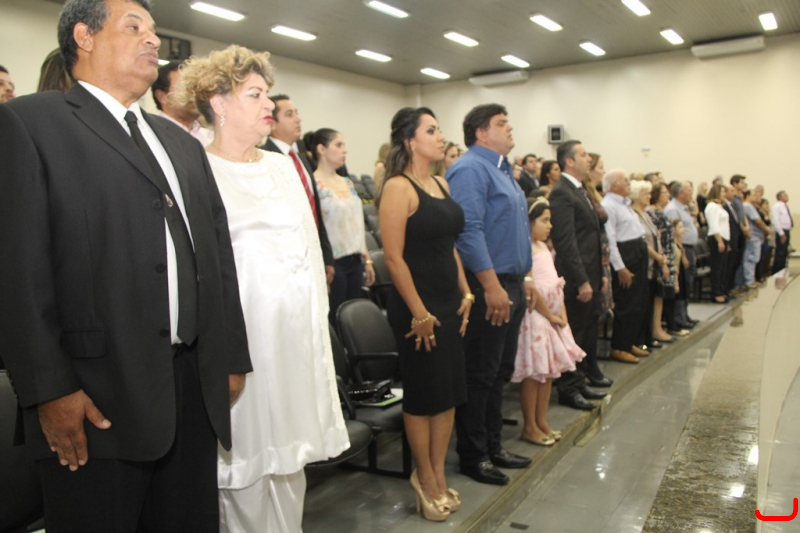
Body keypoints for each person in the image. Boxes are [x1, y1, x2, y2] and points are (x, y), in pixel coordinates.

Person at [0, 1, 253, 531]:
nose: (153, 40)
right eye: (134, 27)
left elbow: (217, 257)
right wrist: (50, 390)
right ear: (84, 37)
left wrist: (230, 355)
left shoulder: (179, 143)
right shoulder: (30, 123)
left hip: (190, 389)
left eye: (154, 30)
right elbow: (18, 273)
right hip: (96, 396)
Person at [179, 45, 349, 532]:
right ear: (218, 102)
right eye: (254, 94)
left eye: (267, 94)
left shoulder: (279, 165)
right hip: (244, 342)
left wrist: (317, 330)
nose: (268, 104)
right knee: (246, 467)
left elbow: (309, 250)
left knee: (290, 461)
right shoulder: (197, 169)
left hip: (293, 340)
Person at [379, 106, 471, 521]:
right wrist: (419, 312)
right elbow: (393, 258)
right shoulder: (398, 187)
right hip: (416, 306)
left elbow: (449, 246)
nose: (440, 136)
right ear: (410, 140)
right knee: (423, 395)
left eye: (439, 129)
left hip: (448, 303)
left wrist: (466, 291)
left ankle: (437, 471)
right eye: (431, 130)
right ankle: (425, 477)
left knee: (447, 393)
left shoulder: (440, 183)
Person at [447, 103, 534, 486]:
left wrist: (521, 280)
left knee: (499, 372)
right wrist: (492, 286)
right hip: (489, 285)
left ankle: (494, 446)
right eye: (502, 123)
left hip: (510, 283)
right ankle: (474, 455)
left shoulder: (501, 169)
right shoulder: (470, 169)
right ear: (481, 133)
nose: (510, 128)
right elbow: (468, 231)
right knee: (480, 374)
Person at [513, 197, 585, 446]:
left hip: (552, 317)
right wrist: (550, 314)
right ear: (529, 222)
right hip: (536, 316)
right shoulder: (525, 248)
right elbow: (532, 289)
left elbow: (555, 284)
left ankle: (541, 421)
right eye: (544, 220)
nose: (550, 225)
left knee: (548, 372)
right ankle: (530, 426)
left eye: (550, 220)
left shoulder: (543, 247)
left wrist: (561, 313)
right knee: (534, 374)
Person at [549, 141, 610, 413]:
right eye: (584, 155)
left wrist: (599, 274)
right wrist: (582, 279)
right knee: (572, 331)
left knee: (585, 330)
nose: (589, 159)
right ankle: (569, 388)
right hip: (575, 276)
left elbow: (590, 236)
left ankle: (580, 379)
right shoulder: (562, 193)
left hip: (590, 272)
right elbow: (566, 242)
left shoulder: (579, 190)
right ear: (570, 161)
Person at [262, 94, 336, 288]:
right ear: (273, 124)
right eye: (289, 114)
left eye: (297, 112)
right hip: (288, 262)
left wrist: (326, 255)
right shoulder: (264, 159)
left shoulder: (302, 159)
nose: (298, 118)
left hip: (314, 254)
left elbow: (315, 211)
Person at [310, 128, 375, 322]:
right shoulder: (314, 185)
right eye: (338, 145)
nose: (344, 150)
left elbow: (357, 224)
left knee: (352, 318)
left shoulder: (347, 182)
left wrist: (367, 259)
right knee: (335, 318)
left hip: (355, 260)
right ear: (321, 149)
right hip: (333, 263)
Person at [602, 170, 649, 363]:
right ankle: (619, 347)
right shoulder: (609, 205)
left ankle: (629, 342)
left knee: (637, 301)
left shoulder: (625, 203)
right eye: (624, 180)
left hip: (637, 251)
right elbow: (611, 240)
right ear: (613, 185)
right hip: (625, 254)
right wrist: (620, 268)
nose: (628, 182)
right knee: (626, 303)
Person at [647, 182, 681, 342]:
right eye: (664, 192)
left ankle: (659, 326)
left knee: (664, 294)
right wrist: (663, 262)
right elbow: (655, 240)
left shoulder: (661, 212)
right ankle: (656, 328)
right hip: (660, 259)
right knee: (659, 294)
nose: (668, 195)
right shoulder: (652, 213)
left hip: (667, 256)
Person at [663, 181, 699, 329]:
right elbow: (674, 235)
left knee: (687, 284)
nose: (691, 193)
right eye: (689, 190)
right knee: (682, 284)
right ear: (680, 193)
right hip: (680, 250)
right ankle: (679, 317)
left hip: (689, 248)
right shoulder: (673, 209)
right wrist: (683, 254)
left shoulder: (683, 208)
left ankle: (685, 314)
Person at [151, 60, 213, 145]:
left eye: (195, 86)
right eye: (185, 86)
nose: (194, 92)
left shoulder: (211, 138)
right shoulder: (152, 136)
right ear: (162, 96)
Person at [704, 184, 731, 303]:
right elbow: (714, 225)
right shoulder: (712, 206)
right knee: (717, 267)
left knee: (723, 267)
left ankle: (722, 289)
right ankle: (716, 293)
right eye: (722, 192)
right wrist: (720, 241)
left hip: (724, 238)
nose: (724, 194)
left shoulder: (720, 206)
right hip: (716, 238)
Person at [743, 189, 769, 287]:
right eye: (754, 195)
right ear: (748, 196)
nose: (757, 197)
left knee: (755, 258)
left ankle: (751, 279)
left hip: (757, 237)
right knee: (750, 258)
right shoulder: (747, 206)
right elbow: (757, 220)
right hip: (753, 236)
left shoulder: (752, 207)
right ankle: (749, 280)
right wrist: (766, 229)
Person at [771, 190, 793, 274]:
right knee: (780, 252)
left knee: (784, 252)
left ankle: (783, 269)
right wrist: (781, 233)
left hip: (786, 231)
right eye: (785, 195)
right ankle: (777, 270)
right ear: (780, 197)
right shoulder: (777, 206)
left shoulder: (785, 206)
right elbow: (776, 220)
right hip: (781, 231)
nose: (787, 196)